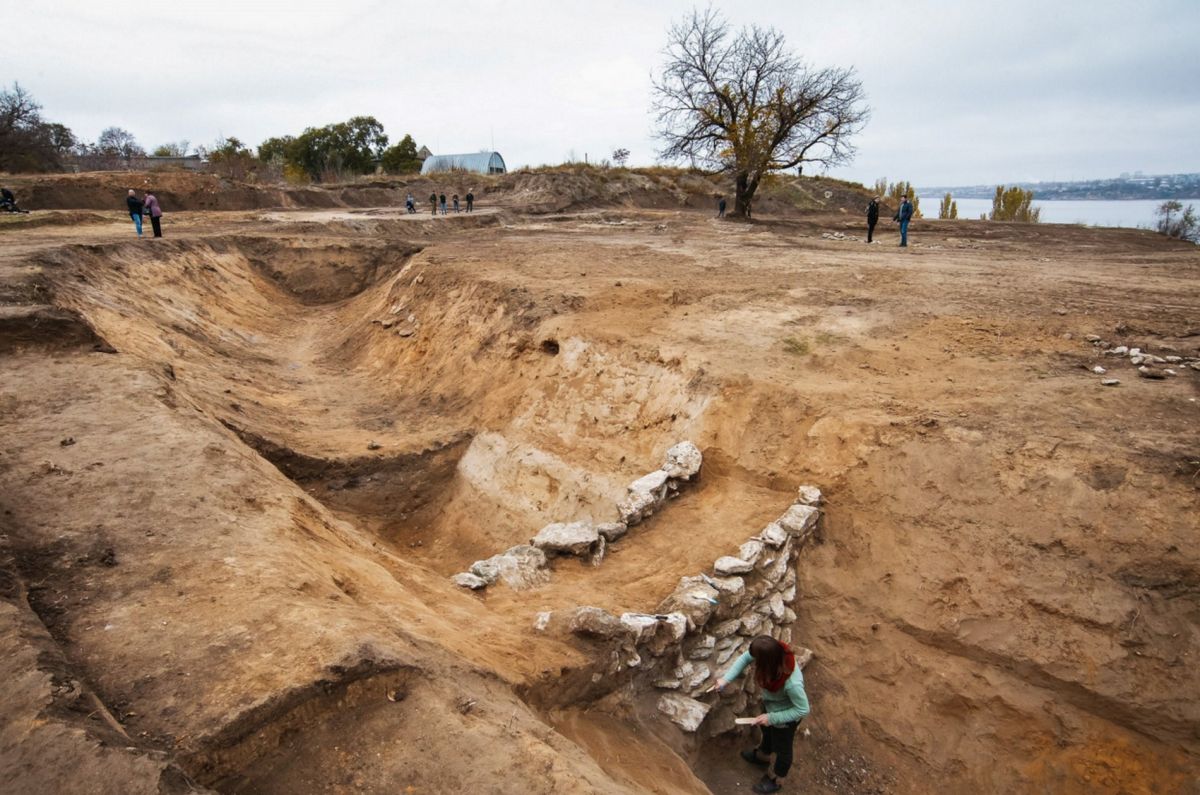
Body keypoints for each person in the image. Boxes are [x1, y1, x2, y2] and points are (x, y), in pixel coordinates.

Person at [711, 635, 810, 794]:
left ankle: (777, 779)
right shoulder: (773, 652)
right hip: (772, 707)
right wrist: (725, 680)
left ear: (766, 662)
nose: (753, 661)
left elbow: (803, 709)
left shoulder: (792, 684)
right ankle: (763, 756)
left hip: (786, 719)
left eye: (757, 661)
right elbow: (745, 658)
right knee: (768, 732)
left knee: (783, 748)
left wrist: (772, 718)